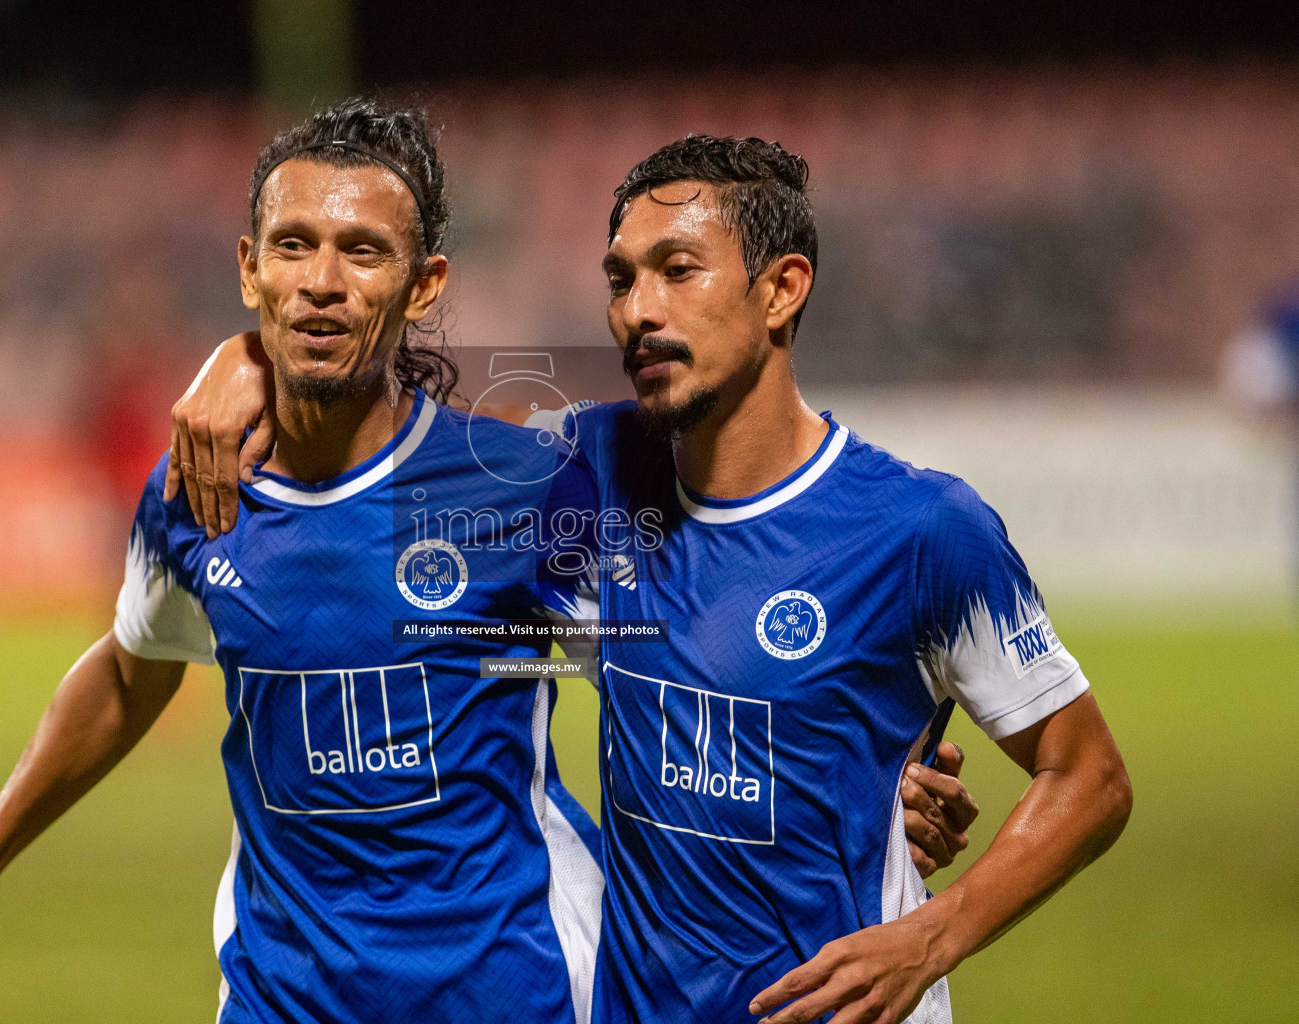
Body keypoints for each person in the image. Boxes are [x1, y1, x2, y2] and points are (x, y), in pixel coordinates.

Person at [0, 101, 978, 1024]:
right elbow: (127, 671)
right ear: (249, 270)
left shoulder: (531, 485)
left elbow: (713, 654)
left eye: (364, 252)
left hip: (523, 989)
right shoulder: (195, 490)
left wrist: (875, 786)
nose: (323, 281)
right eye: (294, 247)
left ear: (426, 284)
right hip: (277, 992)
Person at [173, 134, 1131, 1023]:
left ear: (781, 289)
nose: (639, 309)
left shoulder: (922, 530)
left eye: (678, 271)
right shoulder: (585, 481)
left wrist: (932, 935)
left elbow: (1089, 778)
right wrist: (251, 356)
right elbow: (392, 437)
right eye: (620, 279)